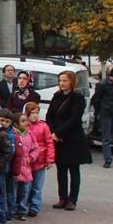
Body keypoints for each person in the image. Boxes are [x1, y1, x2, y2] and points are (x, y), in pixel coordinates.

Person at [46, 70, 91, 211]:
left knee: (73, 169)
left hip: (73, 138)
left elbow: (74, 119)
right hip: (58, 138)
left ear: (72, 81)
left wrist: (59, 132)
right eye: (60, 80)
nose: (62, 83)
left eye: (65, 80)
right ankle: (62, 198)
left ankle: (72, 199)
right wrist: (54, 132)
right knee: (61, 170)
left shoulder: (77, 98)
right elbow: (49, 116)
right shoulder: (57, 96)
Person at [24, 102, 54, 218]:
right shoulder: (25, 126)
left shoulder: (44, 126)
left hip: (40, 161)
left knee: (37, 186)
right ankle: (24, 205)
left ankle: (34, 206)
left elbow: (49, 143)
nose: (35, 115)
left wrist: (50, 159)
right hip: (28, 161)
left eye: (37, 113)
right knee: (27, 186)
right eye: (32, 113)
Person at [11, 112, 40, 221]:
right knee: (13, 191)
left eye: (26, 120)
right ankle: (12, 210)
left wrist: (31, 158)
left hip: (26, 168)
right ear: (16, 124)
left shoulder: (30, 135)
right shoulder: (13, 135)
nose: (26, 123)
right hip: (16, 168)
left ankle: (22, 210)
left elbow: (36, 148)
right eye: (23, 121)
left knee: (24, 190)